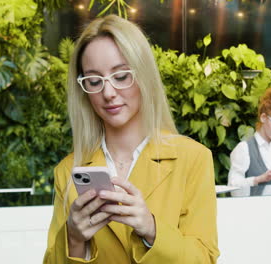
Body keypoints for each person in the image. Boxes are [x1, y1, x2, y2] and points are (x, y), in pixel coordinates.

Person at [44, 15, 219, 263]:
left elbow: (205, 259)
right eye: (94, 81)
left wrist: (151, 229)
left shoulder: (192, 159)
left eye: (121, 76)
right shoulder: (69, 171)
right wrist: (73, 239)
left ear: (144, 74)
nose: (108, 93)